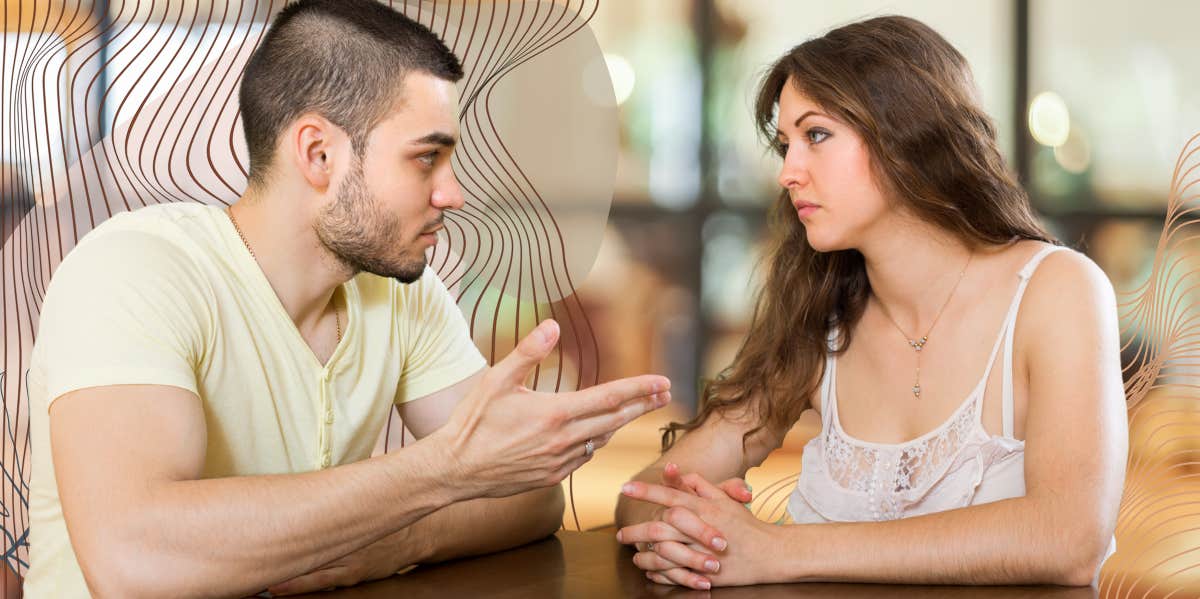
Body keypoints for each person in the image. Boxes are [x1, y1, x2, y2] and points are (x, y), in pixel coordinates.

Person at [24, 1, 670, 596]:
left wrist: (397, 539)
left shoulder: (399, 293)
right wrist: (440, 472)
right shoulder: (134, 269)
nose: (453, 193)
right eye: (426, 159)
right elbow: (137, 559)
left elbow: (528, 497)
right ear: (318, 152)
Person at [615, 15, 1126, 589]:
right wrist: (689, 531)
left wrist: (779, 548)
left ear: (904, 131)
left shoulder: (1058, 291)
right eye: (784, 144)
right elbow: (647, 491)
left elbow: (1068, 537)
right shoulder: (820, 310)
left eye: (815, 135)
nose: (787, 172)